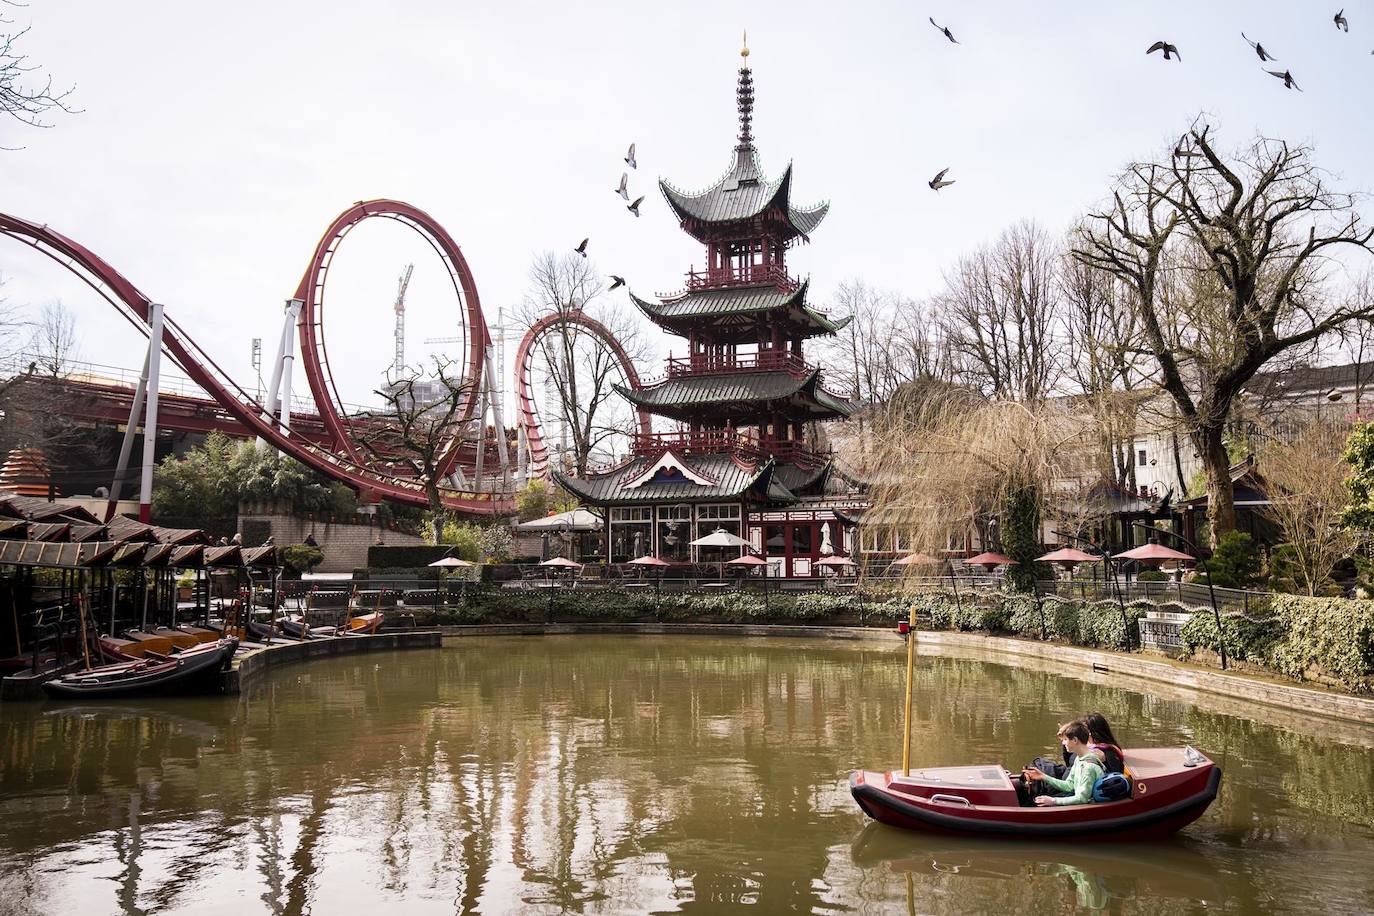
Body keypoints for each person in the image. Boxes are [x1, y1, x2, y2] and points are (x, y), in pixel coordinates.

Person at [1023, 720, 1104, 807]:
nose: (1063, 742)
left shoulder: (1088, 767)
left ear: (1075, 740)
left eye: (1065, 739)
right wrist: (1043, 776)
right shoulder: (1079, 759)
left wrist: (1053, 801)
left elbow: (1082, 798)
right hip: (1080, 802)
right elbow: (1069, 785)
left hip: (1088, 808)